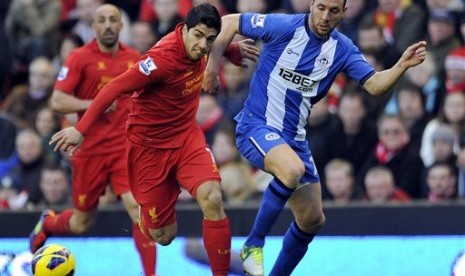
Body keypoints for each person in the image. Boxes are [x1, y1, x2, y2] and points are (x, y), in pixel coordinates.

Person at [203, 0, 427, 274]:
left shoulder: (342, 48)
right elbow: (229, 22)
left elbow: (374, 84)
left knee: (312, 219)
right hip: (256, 127)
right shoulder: (284, 26)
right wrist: (212, 67)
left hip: (294, 139)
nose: (324, 16)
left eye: (333, 11)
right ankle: (253, 244)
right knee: (292, 170)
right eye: (320, 7)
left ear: (343, 13)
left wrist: (401, 65)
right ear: (311, 4)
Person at [48, 3, 259, 275]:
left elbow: (216, 38)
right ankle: (145, 218)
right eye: (197, 36)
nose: (203, 45)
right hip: (149, 149)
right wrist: (81, 129)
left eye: (209, 39)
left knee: (212, 197)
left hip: (186, 137)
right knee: (163, 236)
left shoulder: (203, 42)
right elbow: (113, 87)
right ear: (184, 30)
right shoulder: (160, 59)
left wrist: (229, 50)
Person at [28, 4, 157, 276]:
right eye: (102, 20)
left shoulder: (135, 58)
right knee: (81, 223)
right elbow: (57, 100)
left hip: (124, 148)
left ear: (122, 26)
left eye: (113, 20)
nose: (108, 25)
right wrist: (95, 102)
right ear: (93, 26)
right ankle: (49, 223)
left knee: (138, 209)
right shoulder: (78, 58)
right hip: (90, 150)